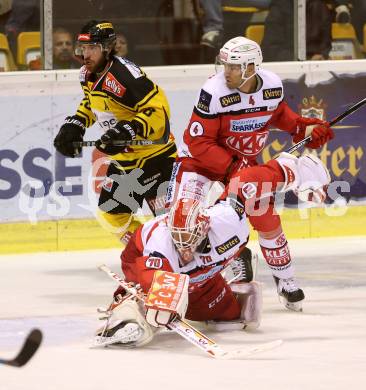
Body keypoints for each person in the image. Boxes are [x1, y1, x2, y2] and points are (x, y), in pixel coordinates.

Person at [166, 36, 334, 311]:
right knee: (182, 221)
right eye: (225, 65)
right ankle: (176, 282)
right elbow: (198, 142)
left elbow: (281, 117)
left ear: (251, 67)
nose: (226, 71)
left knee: (264, 216)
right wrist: (234, 168)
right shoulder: (214, 90)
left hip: (242, 162)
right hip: (199, 162)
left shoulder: (270, 85)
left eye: (233, 66)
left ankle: (285, 280)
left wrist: (306, 129)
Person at [94, 152, 330, 347]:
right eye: (179, 241)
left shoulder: (227, 219)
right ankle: (128, 311)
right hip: (144, 262)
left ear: (203, 228)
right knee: (148, 316)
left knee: (234, 316)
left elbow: (248, 181)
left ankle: (230, 279)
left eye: (189, 240)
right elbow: (150, 273)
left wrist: (292, 172)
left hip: (202, 280)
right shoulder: (161, 241)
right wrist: (161, 302)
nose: (184, 249)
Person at [53, 20, 177, 244]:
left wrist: (129, 129)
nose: (85, 54)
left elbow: (159, 112)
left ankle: (233, 256)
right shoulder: (86, 74)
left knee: (175, 224)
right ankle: (148, 252)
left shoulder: (125, 76)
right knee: (112, 214)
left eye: (92, 48)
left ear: (107, 48)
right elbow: (95, 104)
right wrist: (77, 123)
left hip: (156, 158)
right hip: (126, 162)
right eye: (83, 48)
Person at [261, 0, 333, 61]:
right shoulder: (279, 8)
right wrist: (306, 59)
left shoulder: (320, 7)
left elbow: (326, 43)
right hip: (287, 65)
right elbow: (270, 50)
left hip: (315, 65)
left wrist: (323, 56)